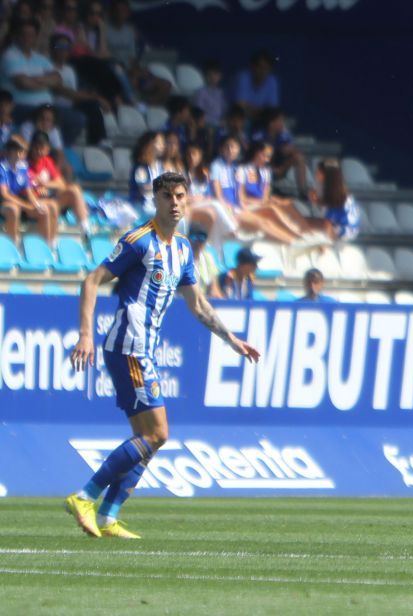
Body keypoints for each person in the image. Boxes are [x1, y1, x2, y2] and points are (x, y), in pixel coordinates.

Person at [65, 172, 260, 538]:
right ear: (155, 200)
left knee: (147, 439)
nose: (174, 202)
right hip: (127, 346)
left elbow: (198, 304)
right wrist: (85, 335)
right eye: (167, 195)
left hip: (144, 350)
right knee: (158, 434)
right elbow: (92, 281)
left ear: (187, 201)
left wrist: (232, 339)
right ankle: (85, 496)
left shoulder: (184, 249)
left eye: (180, 196)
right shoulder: (139, 241)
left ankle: (108, 516)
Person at [1, 18, 85, 145]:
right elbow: (23, 84)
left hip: (46, 107)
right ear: (17, 35)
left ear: (36, 37)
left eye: (31, 35)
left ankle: (60, 150)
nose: (27, 38)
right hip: (20, 106)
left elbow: (58, 79)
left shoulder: (40, 58)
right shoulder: (10, 55)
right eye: (24, 34)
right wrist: (46, 83)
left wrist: (32, 79)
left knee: (78, 119)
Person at [27, 129, 90, 236]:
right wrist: (38, 189)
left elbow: (61, 183)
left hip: (49, 198)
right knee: (52, 206)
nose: (39, 152)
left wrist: (45, 184)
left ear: (47, 149)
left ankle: (85, 229)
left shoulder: (47, 161)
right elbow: (24, 188)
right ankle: (51, 244)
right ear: (31, 147)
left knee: (73, 189)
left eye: (42, 148)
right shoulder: (25, 164)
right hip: (34, 204)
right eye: (36, 148)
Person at [0, 134, 57, 244]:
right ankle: (13, 246)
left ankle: (47, 246)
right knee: (13, 210)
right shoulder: (2, 168)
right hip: (4, 204)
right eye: (23, 152)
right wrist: (26, 206)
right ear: (14, 152)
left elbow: (28, 190)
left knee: (43, 211)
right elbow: (5, 195)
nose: (25, 155)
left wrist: (36, 204)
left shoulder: (23, 167)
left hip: (20, 202)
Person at [311, 157, 359, 241]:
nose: (316, 173)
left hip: (343, 232)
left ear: (326, 175)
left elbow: (328, 222)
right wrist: (316, 201)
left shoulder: (333, 194)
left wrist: (325, 242)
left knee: (304, 224)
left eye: (319, 171)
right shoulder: (341, 190)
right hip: (351, 229)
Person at [232, 50, 279, 119]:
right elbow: (240, 108)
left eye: (267, 68)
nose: (263, 71)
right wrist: (262, 111)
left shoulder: (272, 80)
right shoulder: (243, 77)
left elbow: (272, 111)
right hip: (234, 118)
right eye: (260, 67)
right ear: (252, 67)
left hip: (259, 120)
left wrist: (250, 108)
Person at [187, 222, 223, 298]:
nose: (198, 242)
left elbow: (214, 287)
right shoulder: (179, 257)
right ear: (187, 238)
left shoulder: (208, 258)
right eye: (194, 237)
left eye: (202, 238)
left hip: (203, 300)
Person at [193, 59, 226, 126]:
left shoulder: (222, 93)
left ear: (220, 76)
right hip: (205, 126)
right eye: (210, 74)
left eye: (216, 74)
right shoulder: (201, 93)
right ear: (205, 75)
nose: (213, 77)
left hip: (220, 126)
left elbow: (225, 112)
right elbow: (198, 114)